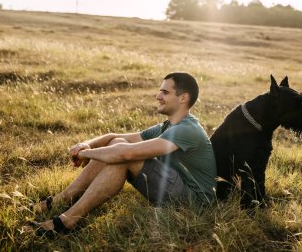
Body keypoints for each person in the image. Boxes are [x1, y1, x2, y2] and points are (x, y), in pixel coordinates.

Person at [24, 72, 217, 234]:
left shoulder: (187, 129)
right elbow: (113, 137)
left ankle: (67, 221)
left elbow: (126, 155)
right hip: (176, 187)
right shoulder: (168, 126)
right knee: (118, 144)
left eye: (165, 92)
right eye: (159, 91)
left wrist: (87, 154)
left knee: (124, 157)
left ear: (183, 98)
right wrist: (84, 145)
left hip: (195, 204)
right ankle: (64, 198)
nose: (158, 96)